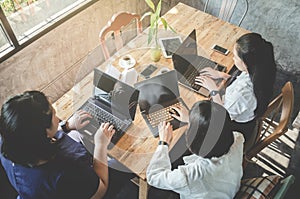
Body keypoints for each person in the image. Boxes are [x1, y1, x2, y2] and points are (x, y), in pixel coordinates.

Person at [0, 90, 115, 199]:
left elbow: (34, 136)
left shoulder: (8, 142)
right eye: (54, 114)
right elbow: (100, 190)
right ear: (45, 132)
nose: (57, 117)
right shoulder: (66, 173)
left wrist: (66, 126)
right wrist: (101, 145)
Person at [147, 100, 244, 199]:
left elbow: (153, 176)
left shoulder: (192, 175)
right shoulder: (238, 139)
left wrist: (163, 143)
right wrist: (195, 120)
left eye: (190, 128)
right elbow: (214, 131)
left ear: (196, 141)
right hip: (228, 191)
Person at [195, 33, 276, 147]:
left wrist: (213, 90)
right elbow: (242, 80)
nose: (233, 59)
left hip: (233, 131)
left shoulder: (241, 95)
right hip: (245, 117)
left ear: (245, 63)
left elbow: (222, 117)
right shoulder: (260, 71)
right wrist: (221, 75)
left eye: (235, 57)